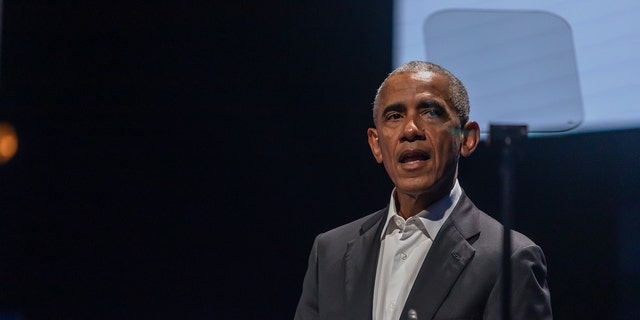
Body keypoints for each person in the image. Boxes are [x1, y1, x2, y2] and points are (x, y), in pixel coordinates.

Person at [294, 61, 552, 320]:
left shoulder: (509, 259)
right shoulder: (329, 253)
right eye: (395, 116)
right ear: (376, 144)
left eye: (430, 112)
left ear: (467, 137)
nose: (410, 130)